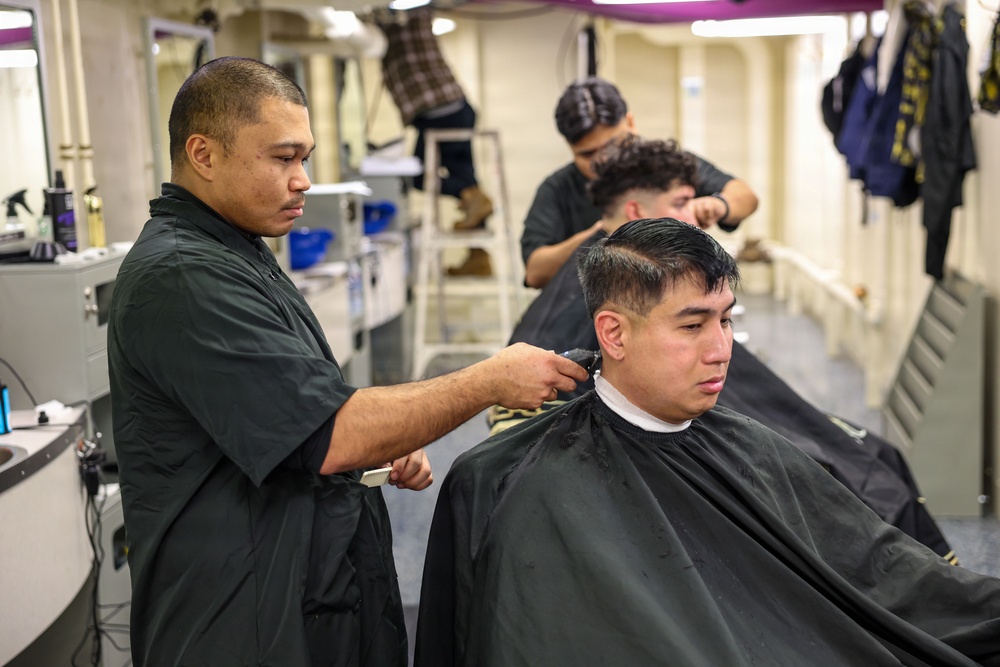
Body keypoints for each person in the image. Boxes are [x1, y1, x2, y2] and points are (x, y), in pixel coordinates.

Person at [106, 56, 587, 667]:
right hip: (243, 621)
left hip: (305, 588)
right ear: (203, 155)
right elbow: (329, 434)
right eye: (283, 158)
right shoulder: (184, 276)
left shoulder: (236, 254)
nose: (303, 178)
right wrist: (491, 379)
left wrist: (381, 438)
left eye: (304, 157)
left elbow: (294, 406)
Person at [413, 218, 1000, 667]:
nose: (720, 348)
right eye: (692, 326)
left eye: (725, 320)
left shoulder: (754, 449)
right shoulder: (516, 482)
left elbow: (886, 572)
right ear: (612, 333)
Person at [493, 135, 953, 557]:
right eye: (682, 203)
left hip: (717, 428)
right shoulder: (593, 291)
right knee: (843, 478)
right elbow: (515, 424)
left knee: (874, 455)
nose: (720, 350)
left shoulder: (674, 277)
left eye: (725, 320)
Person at [521, 76, 759, 288]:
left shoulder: (667, 166)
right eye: (588, 154)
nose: (604, 159)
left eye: (613, 145)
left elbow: (745, 197)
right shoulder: (556, 189)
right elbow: (535, 272)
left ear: (631, 123)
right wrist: (598, 236)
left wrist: (718, 206)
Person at [377, 7, 493, 276]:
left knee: (418, 176)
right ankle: (478, 256)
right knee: (467, 179)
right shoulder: (408, 12)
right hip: (455, 108)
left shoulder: (405, 10)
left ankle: (472, 197)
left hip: (437, 112)